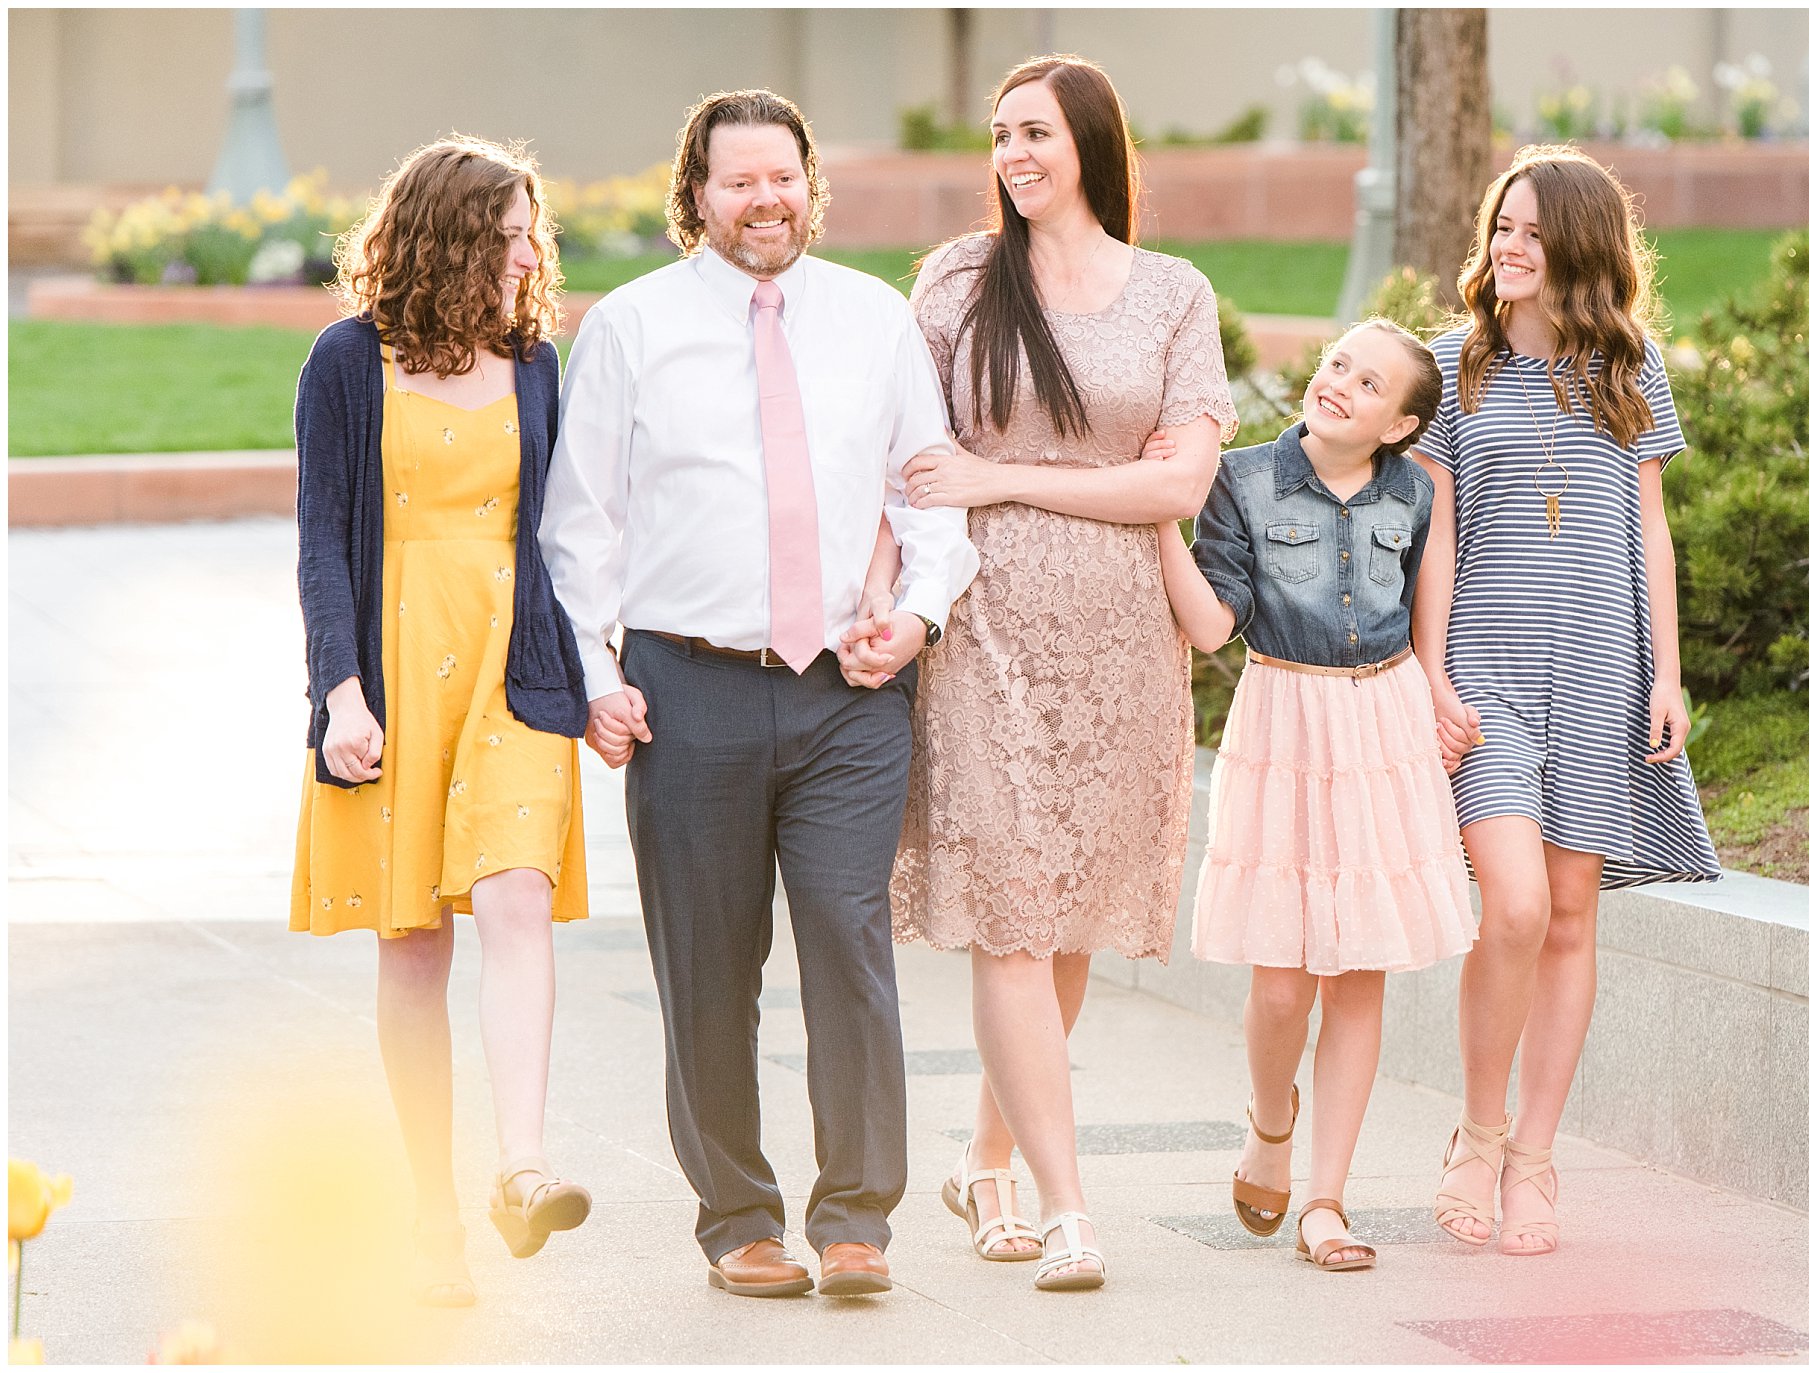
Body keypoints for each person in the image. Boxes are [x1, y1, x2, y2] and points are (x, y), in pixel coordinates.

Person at [538, 89, 978, 1301]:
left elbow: (926, 494)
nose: (765, 199)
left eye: (781, 177)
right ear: (695, 198)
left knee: (847, 938)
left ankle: (856, 1218)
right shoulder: (629, 328)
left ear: (808, 183)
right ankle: (737, 1213)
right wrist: (597, 674)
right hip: (690, 690)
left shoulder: (873, 320)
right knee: (707, 962)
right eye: (737, 181)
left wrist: (922, 612)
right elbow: (581, 529)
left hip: (848, 686)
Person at [883, 54, 1235, 1292]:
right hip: (979, 632)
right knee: (1013, 912)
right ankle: (1067, 1204)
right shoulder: (958, 280)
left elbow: (1179, 485)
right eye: (998, 136)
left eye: (1033, 131)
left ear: (1089, 139)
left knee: (1069, 916)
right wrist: (892, 593)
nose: (1013, 155)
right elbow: (904, 454)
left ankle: (984, 1158)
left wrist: (1004, 477)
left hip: (1123, 646)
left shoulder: (1170, 295)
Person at [290, 136, 593, 1307]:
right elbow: (321, 536)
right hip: (394, 664)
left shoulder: (536, 362)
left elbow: (559, 539)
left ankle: (521, 1167)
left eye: (532, 234)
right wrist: (340, 691)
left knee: (518, 894)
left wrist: (595, 675)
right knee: (413, 939)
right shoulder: (345, 361)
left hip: (513, 666)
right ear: (443, 239)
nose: (527, 255)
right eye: (504, 234)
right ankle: (430, 1211)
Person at [1414, 144, 1720, 1258]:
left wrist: (1667, 671)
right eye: (1502, 223)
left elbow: (1649, 529)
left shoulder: (1631, 370)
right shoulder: (1452, 369)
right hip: (1486, 671)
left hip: (1600, 663)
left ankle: (1534, 1158)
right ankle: (1475, 1134)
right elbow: (1434, 534)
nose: (1507, 244)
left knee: (1572, 911)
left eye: (1533, 230)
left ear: (1581, 246)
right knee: (1512, 907)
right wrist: (1430, 672)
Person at [1153, 319, 1477, 1273]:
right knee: (1285, 978)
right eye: (1338, 362)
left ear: (1401, 423)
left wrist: (1441, 695)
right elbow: (1215, 625)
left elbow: (1429, 610)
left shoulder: (1417, 492)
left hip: (1384, 724)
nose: (1338, 382)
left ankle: (1327, 1199)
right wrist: (1161, 521)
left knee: (1360, 965)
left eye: (1368, 382)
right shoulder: (1241, 479)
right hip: (1285, 722)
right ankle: (1269, 1119)